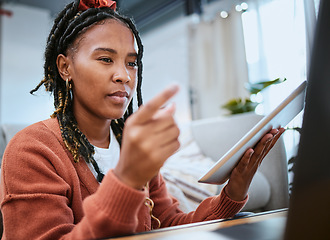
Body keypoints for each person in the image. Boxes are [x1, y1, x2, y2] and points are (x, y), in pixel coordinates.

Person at [0, 0, 284, 239]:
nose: (124, 75)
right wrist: (127, 180)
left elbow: (168, 224)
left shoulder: (128, 142)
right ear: (65, 67)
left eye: (132, 62)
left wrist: (232, 193)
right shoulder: (31, 150)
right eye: (105, 59)